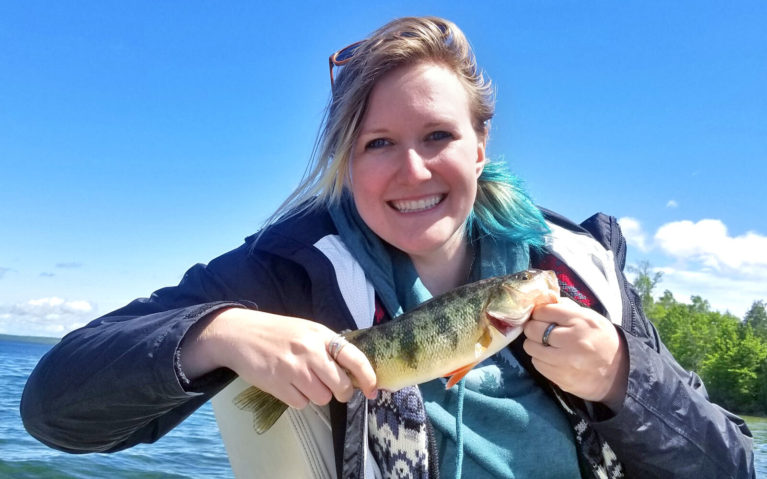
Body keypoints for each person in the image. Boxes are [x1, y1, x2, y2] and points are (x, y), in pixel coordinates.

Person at [21, 16, 753, 479]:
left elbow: (731, 464)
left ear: (479, 143)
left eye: (437, 136)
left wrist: (625, 378)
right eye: (377, 144)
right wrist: (217, 330)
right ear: (345, 158)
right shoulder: (287, 272)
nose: (412, 170)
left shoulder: (581, 266)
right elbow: (53, 410)